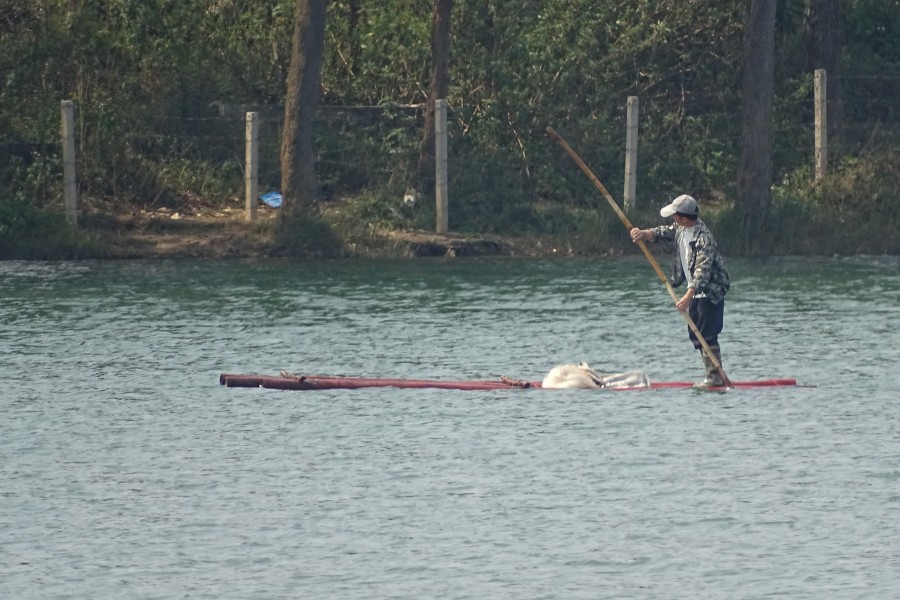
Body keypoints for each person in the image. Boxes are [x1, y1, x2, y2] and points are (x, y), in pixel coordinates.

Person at [629, 194, 730, 388]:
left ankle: (714, 377)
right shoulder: (680, 228)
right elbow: (661, 232)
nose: (672, 218)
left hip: (711, 292)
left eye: (675, 215)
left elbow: (702, 272)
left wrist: (687, 296)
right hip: (694, 291)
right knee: (696, 334)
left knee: (707, 334)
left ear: (684, 218)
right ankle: (712, 374)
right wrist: (643, 233)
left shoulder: (704, 239)